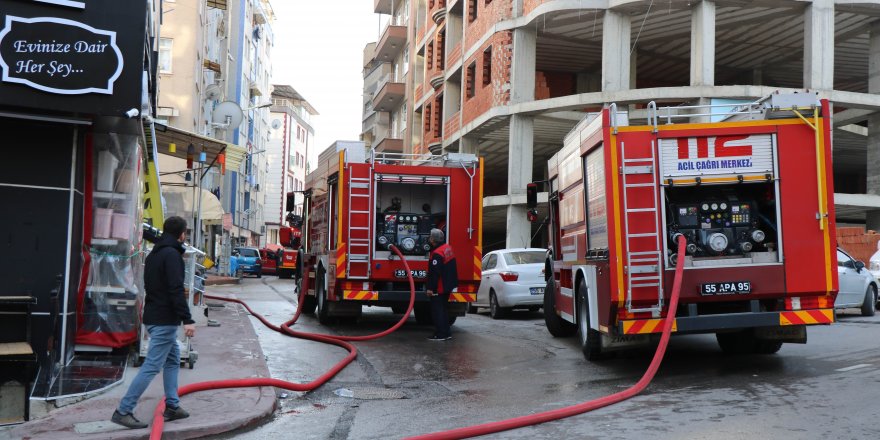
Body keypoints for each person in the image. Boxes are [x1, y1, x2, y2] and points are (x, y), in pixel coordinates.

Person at [111, 216, 196, 429]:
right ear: (181, 234)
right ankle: (124, 410)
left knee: (172, 359)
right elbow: (176, 289)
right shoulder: (172, 255)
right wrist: (188, 319)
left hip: (152, 316)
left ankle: (173, 406)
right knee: (152, 366)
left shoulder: (155, 254)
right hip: (165, 319)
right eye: (185, 232)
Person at [425, 228, 458, 341]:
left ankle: (441, 334)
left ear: (433, 239)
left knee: (437, 311)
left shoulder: (437, 253)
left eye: (430, 237)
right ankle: (446, 332)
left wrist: (430, 288)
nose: (429, 239)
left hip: (439, 287)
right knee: (443, 310)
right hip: (447, 285)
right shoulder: (447, 248)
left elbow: (435, 273)